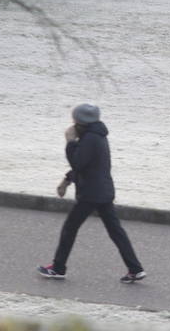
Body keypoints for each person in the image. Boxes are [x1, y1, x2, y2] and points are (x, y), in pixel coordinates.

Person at [37, 104, 146, 283]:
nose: (72, 123)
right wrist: (66, 180)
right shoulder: (98, 136)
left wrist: (70, 142)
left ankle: (58, 268)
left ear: (79, 121)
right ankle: (135, 269)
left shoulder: (89, 139)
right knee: (116, 231)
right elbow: (88, 166)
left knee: (70, 228)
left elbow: (78, 163)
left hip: (91, 193)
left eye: (74, 120)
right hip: (104, 191)